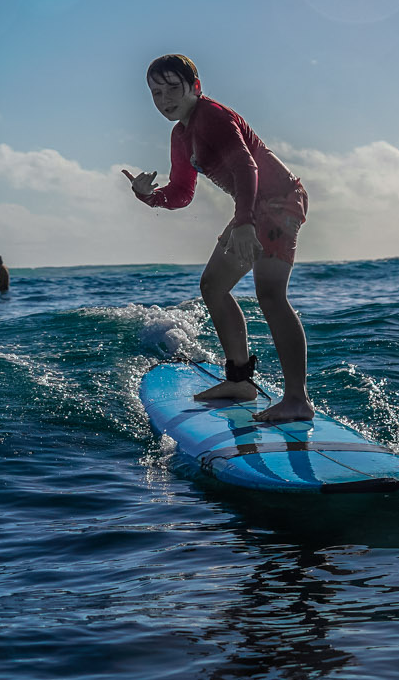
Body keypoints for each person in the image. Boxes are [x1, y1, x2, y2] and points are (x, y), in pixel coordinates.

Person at [123, 53, 313, 424]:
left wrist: (243, 223)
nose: (164, 100)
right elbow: (182, 193)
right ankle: (240, 381)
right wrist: (148, 196)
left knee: (270, 294)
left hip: (279, 201)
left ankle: (297, 399)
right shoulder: (181, 135)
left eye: (173, 89)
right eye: (156, 93)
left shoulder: (213, 116)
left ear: (195, 87)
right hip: (254, 209)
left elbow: (246, 167)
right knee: (213, 286)